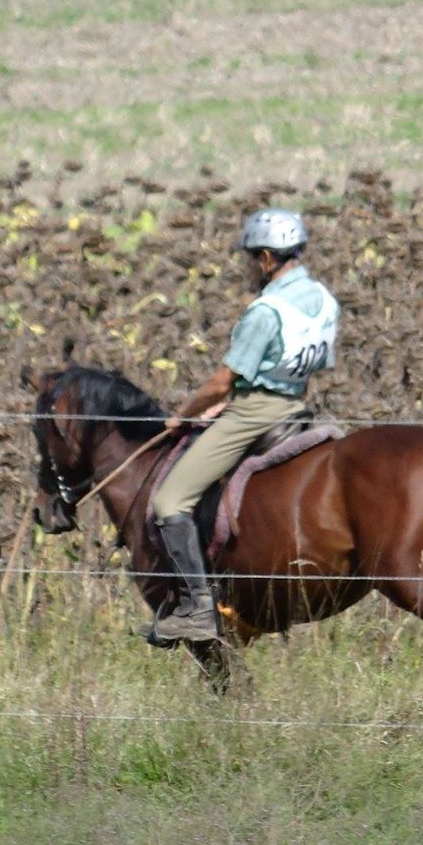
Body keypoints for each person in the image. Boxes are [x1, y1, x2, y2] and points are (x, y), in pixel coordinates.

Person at [149, 208, 340, 643]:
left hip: (255, 412)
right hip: (297, 405)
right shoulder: (325, 300)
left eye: (252, 258)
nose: (249, 266)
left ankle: (196, 608)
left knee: (169, 502)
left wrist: (184, 415)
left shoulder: (265, 310)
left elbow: (221, 382)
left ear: (268, 258)